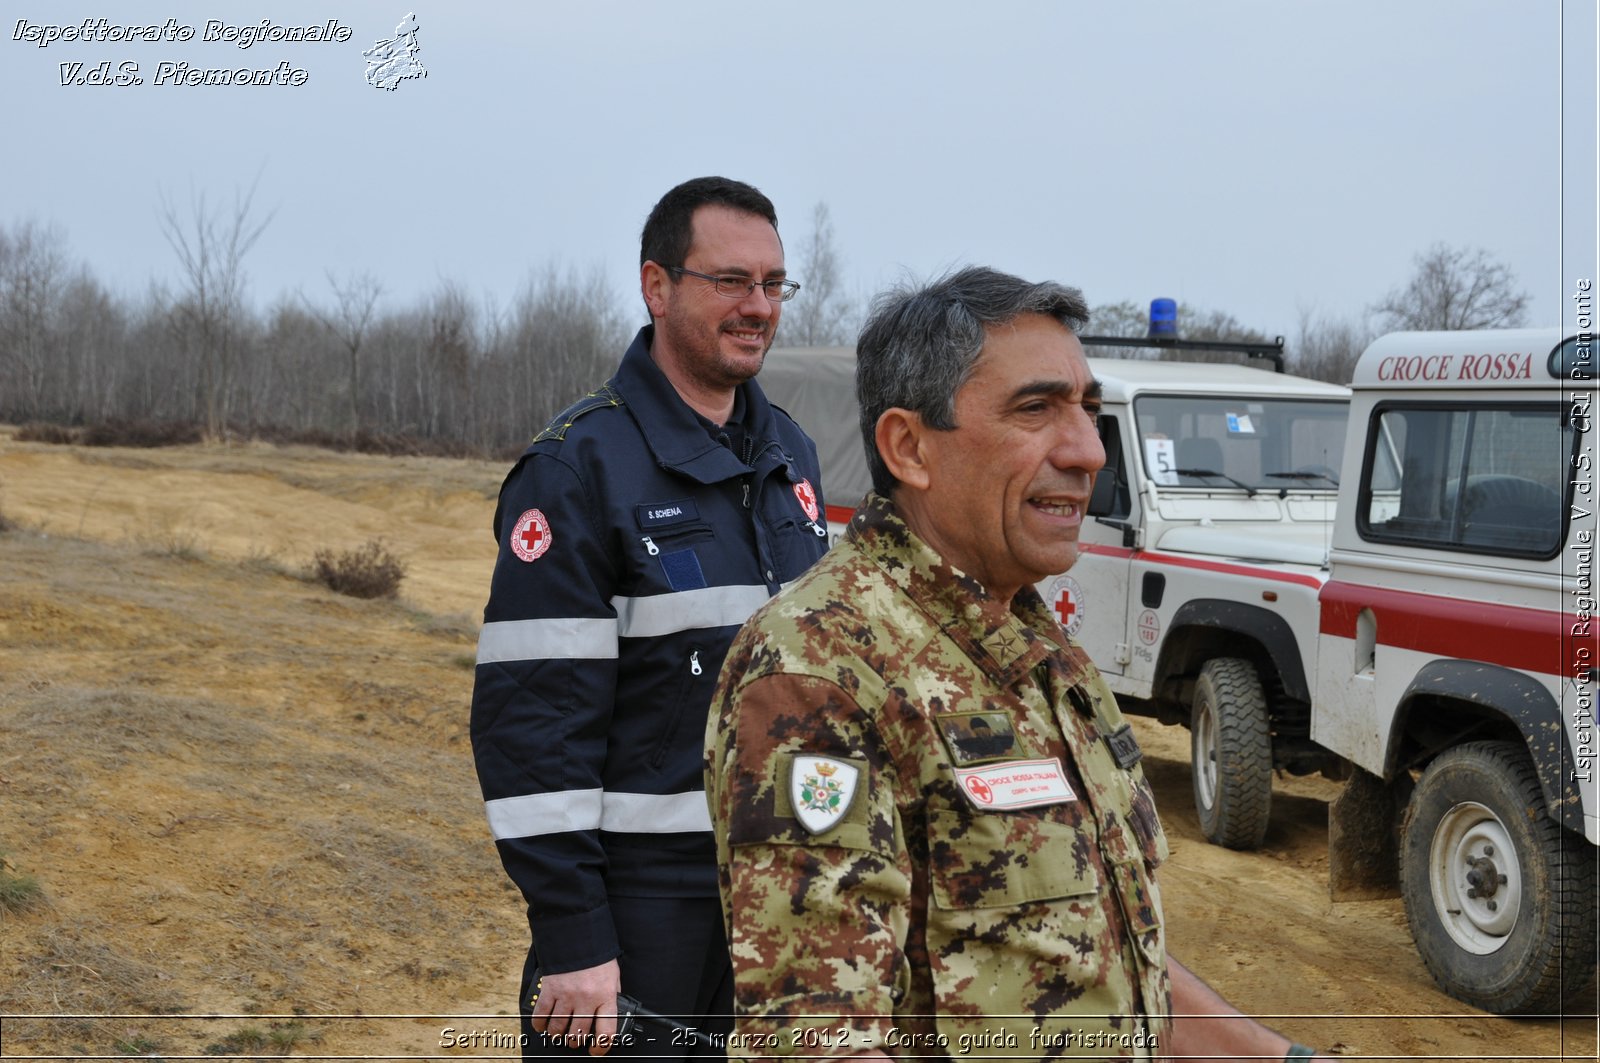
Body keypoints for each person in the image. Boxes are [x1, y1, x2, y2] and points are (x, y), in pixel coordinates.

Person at [705, 266, 1331, 1060]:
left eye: (1089, 410)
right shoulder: (817, 671)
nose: (1087, 450)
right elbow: (818, 1042)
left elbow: (1097, 955)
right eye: (1037, 408)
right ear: (909, 446)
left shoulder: (1033, 644)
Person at [472, 176, 831, 1059]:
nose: (758, 307)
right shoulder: (577, 469)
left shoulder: (793, 454)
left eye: (774, 284)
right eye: (730, 281)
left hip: (788, 893)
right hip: (643, 911)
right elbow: (533, 723)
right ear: (657, 285)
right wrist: (575, 935)